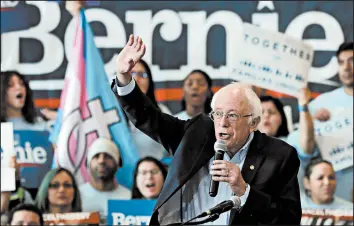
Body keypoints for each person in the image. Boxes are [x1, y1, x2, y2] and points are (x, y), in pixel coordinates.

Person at [112, 34, 301, 225]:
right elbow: (149, 118)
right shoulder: (196, 134)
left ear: (253, 122)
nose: (223, 123)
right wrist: (123, 77)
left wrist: (245, 191)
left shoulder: (279, 156)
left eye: (232, 115)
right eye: (218, 114)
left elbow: (289, 220)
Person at [308, 42, 353, 201]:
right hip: (336, 194)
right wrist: (312, 120)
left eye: (352, 60)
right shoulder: (321, 104)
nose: (346, 67)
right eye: (341, 62)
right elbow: (305, 147)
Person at [0, 70, 54, 199]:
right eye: (11, 85)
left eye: (21, 84)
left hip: (42, 197)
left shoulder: (43, 126)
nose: (19, 87)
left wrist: (59, 119)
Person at [79, 138, 131, 218]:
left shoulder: (130, 197)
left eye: (107, 156)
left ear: (118, 163)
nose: (101, 161)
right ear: (87, 164)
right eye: (96, 156)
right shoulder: (76, 196)